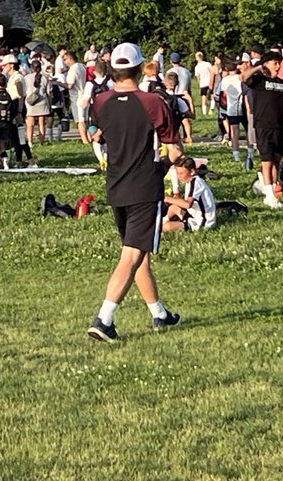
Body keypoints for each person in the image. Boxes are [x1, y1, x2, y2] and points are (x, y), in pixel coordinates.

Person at [86, 43, 183, 343]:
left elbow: (96, 132)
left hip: (116, 186)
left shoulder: (100, 102)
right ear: (141, 68)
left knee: (137, 253)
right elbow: (176, 150)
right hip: (143, 186)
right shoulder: (153, 102)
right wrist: (163, 166)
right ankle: (105, 318)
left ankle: (159, 313)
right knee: (131, 255)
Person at [242, 51, 283, 209]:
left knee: (277, 160)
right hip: (264, 126)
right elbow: (243, 77)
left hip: (281, 127)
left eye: (279, 63)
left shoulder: (282, 84)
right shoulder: (258, 80)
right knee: (267, 161)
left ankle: (274, 191)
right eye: (274, 62)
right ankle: (269, 195)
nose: (278, 66)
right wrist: (258, 68)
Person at [162, 155, 219, 232]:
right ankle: (160, 223)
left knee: (167, 226)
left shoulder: (196, 183)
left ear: (192, 172)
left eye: (181, 173)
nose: (179, 176)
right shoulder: (191, 181)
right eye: (177, 173)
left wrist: (166, 198)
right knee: (173, 208)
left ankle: (159, 228)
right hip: (194, 215)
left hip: (202, 223)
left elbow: (187, 204)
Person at [193, 51, 215, 118]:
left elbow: (198, 76)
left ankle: (204, 112)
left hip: (203, 83)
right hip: (210, 81)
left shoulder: (197, 67)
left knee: (203, 96)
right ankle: (211, 109)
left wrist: (199, 83)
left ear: (196, 58)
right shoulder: (207, 64)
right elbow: (212, 71)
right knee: (212, 95)